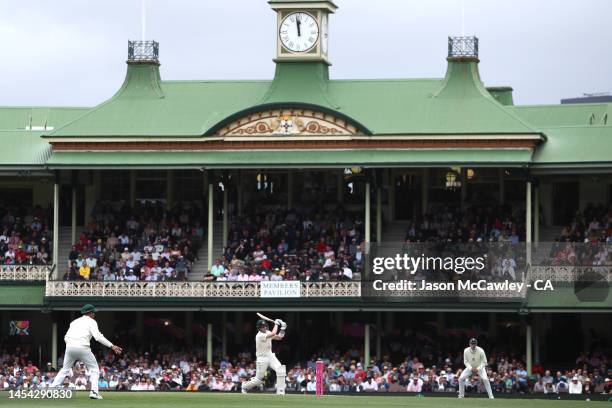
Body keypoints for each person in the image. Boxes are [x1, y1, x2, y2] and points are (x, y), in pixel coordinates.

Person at [50, 304, 123, 399]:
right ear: (91, 313)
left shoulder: (74, 322)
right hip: (83, 347)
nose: (94, 314)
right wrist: (112, 346)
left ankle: (51, 390)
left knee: (65, 369)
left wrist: (71, 345)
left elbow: (66, 337)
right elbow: (98, 337)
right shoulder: (92, 322)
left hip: (70, 347)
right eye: (94, 312)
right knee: (95, 369)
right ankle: (94, 392)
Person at [241, 318, 287, 395]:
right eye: (262, 327)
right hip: (262, 358)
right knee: (258, 380)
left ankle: (280, 392)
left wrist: (282, 329)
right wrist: (276, 324)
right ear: (259, 328)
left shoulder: (267, 332)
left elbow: (279, 337)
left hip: (270, 355)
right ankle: (245, 386)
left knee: (280, 370)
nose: (265, 328)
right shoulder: (259, 336)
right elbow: (273, 333)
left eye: (265, 326)